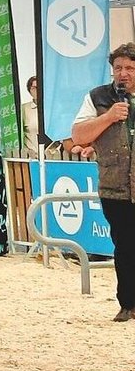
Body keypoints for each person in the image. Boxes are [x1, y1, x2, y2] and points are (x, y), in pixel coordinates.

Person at [70, 43, 135, 322]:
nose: (123, 74)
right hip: (115, 186)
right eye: (118, 68)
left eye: (130, 68)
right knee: (124, 246)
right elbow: (79, 135)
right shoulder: (98, 97)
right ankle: (128, 304)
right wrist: (108, 117)